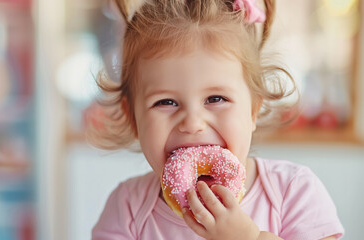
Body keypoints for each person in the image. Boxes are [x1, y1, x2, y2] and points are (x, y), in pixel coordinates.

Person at [89, 0, 344, 239]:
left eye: (215, 99)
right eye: (165, 102)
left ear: (253, 110)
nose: (192, 123)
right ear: (133, 118)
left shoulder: (293, 192)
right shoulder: (127, 210)